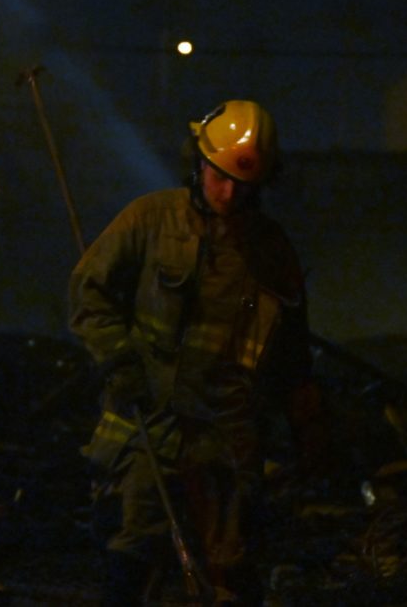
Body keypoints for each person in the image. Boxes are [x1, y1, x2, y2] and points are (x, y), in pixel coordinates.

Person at [69, 100, 317, 605]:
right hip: (148, 426)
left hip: (227, 441)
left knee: (229, 570)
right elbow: (88, 293)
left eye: (243, 185)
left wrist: (308, 435)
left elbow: (292, 356)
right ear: (198, 163)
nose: (229, 194)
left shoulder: (271, 251)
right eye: (220, 177)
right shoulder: (151, 220)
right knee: (133, 553)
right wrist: (117, 359)